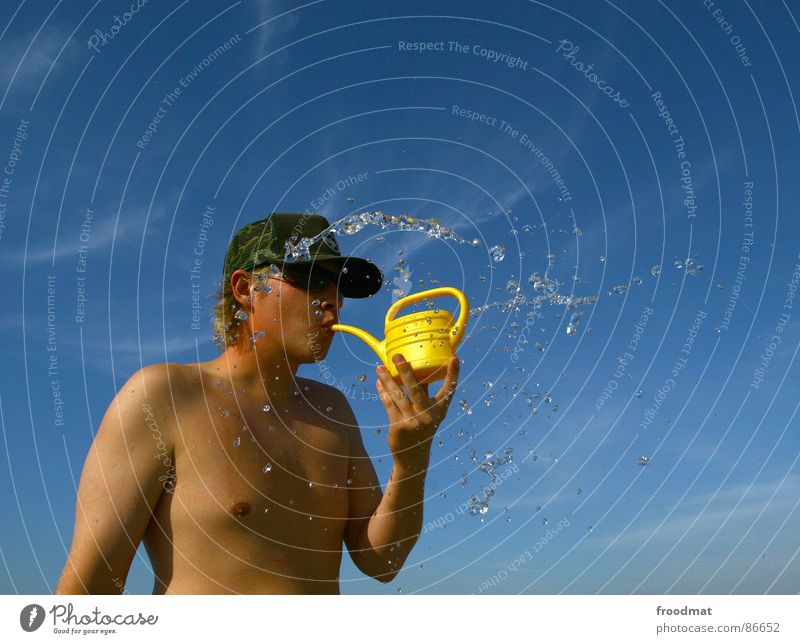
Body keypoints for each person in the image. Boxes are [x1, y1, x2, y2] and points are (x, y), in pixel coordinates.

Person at [56, 213, 460, 594]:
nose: (331, 301)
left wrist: (412, 459)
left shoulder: (332, 410)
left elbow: (382, 562)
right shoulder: (163, 396)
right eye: (311, 279)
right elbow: (91, 584)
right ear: (246, 289)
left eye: (337, 286)